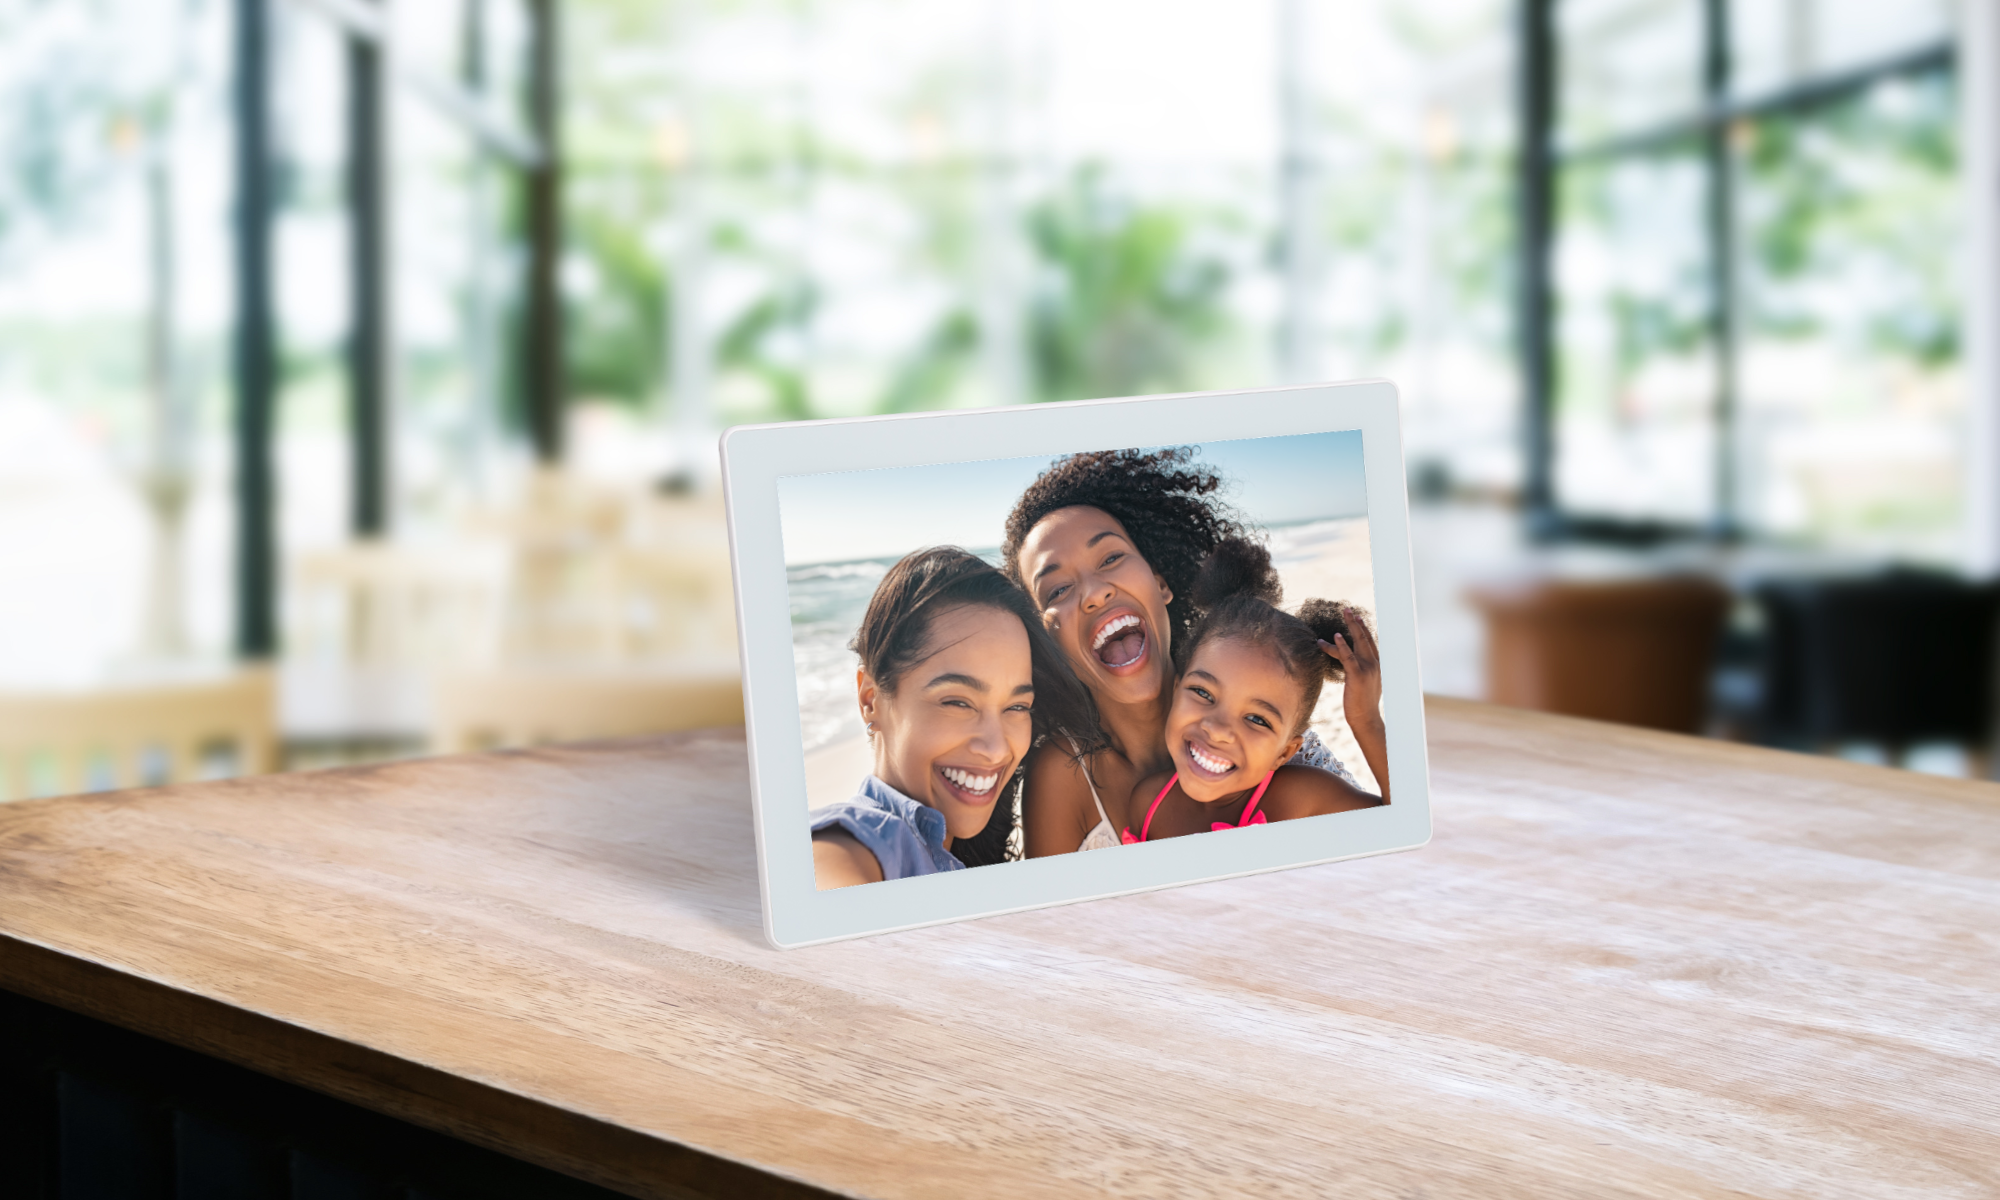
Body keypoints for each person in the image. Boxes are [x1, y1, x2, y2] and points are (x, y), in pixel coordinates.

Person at [1001, 447, 1376, 856]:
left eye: (1110, 557)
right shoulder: (1062, 774)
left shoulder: (1278, 742)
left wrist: (1366, 722)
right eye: (1057, 590)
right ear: (1045, 639)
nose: (1094, 592)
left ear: (1161, 582)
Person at [811, 547, 1099, 889]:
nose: (995, 750)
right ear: (870, 699)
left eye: (1017, 707)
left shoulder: (958, 858)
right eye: (958, 703)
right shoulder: (852, 847)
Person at [1122, 538, 1388, 843]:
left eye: (1257, 719)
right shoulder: (1147, 804)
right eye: (1203, 693)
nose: (1218, 729)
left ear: (1285, 752)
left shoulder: (1302, 799)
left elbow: (1400, 828)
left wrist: (1366, 721)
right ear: (1176, 688)